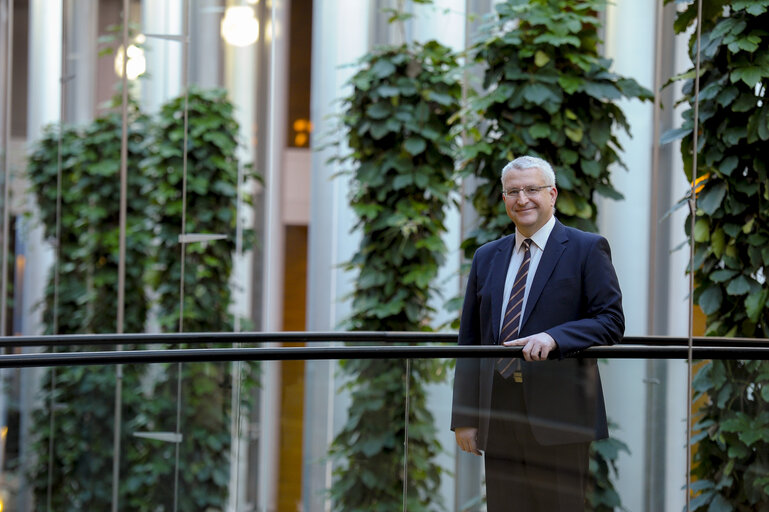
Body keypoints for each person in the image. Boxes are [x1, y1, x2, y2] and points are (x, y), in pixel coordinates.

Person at [451, 155, 625, 511]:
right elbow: (469, 340)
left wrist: (555, 338)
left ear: (552, 194)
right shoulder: (487, 257)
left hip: (559, 416)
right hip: (498, 414)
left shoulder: (586, 248)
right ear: (504, 200)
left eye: (532, 189)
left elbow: (610, 320)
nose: (522, 199)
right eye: (512, 191)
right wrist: (464, 417)